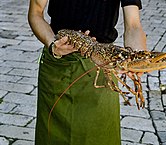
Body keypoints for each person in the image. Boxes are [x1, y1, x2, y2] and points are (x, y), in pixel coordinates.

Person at [28, 0, 147, 145]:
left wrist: (137, 57)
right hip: (57, 65)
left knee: (101, 136)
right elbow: (35, 13)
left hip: (102, 65)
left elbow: (133, 26)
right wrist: (52, 43)